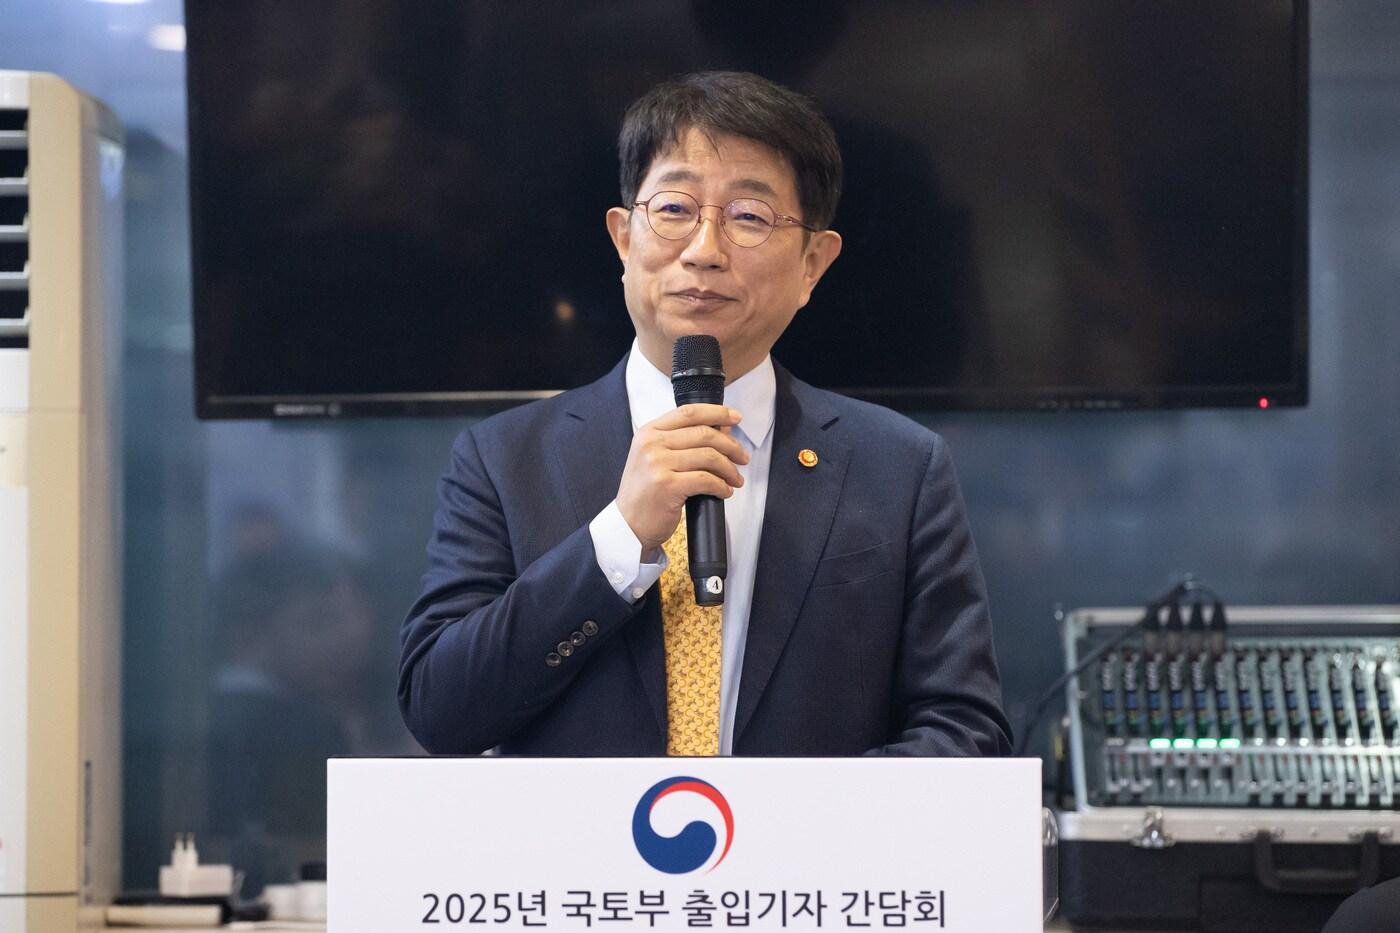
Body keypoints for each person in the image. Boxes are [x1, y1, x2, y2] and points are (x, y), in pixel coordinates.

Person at [398, 70, 1011, 757]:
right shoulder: (504, 458)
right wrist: (620, 539)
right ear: (623, 237)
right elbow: (440, 710)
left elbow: (964, 733)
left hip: (804, 836)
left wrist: (790, 817)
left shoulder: (900, 468)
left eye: (749, 217)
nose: (705, 251)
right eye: (674, 209)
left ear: (813, 263)